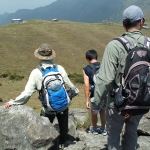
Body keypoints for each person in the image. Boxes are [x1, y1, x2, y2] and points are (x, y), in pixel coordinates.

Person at [90, 5, 149, 150]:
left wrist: (95, 103)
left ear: (123, 24)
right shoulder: (148, 44)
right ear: (141, 22)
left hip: (116, 104)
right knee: (131, 132)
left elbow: (105, 79)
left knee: (113, 137)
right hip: (140, 101)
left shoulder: (114, 46)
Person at [4, 43, 79, 150]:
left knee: (45, 126)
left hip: (47, 107)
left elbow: (27, 93)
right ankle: (63, 142)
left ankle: (48, 144)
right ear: (52, 55)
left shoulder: (36, 73)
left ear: (39, 56)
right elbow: (69, 85)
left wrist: (13, 102)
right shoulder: (59, 68)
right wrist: (75, 92)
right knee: (63, 123)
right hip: (63, 105)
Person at [83, 49, 107, 135]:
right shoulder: (104, 66)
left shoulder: (87, 69)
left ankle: (95, 128)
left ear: (87, 59)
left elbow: (86, 85)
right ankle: (104, 129)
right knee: (103, 111)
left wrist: (86, 100)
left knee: (94, 113)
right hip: (105, 93)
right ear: (96, 57)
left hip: (94, 95)